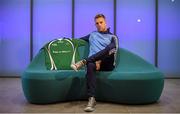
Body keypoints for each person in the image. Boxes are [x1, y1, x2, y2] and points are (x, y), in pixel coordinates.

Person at [71, 14, 118, 112]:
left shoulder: (112, 37)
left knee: (110, 48)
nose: (99, 25)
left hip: (107, 62)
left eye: (101, 22)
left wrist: (100, 60)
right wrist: (63, 40)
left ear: (105, 23)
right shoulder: (92, 35)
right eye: (97, 23)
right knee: (90, 64)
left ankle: (83, 62)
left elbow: (113, 50)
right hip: (93, 63)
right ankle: (92, 99)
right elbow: (77, 40)